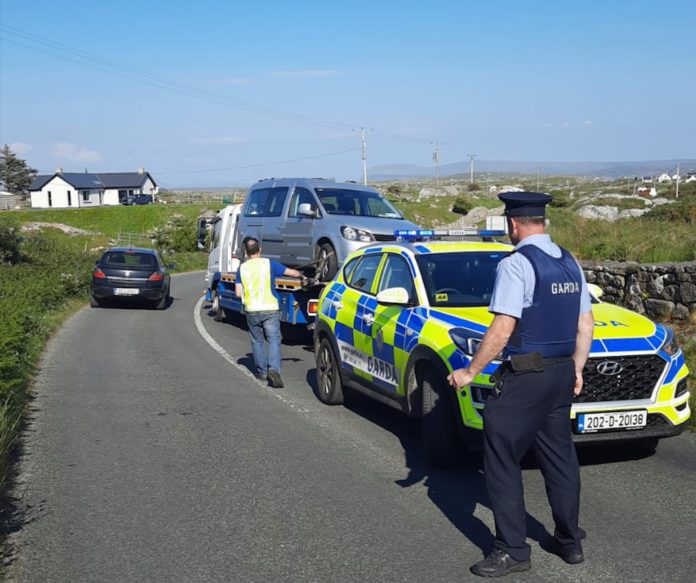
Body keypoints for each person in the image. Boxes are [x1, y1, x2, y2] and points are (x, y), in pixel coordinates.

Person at [448, 192, 594, 578]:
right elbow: (585, 324)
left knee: (500, 457)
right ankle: (568, 541)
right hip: (562, 373)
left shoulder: (516, 264)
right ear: (542, 222)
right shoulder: (568, 261)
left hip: (526, 375)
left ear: (513, 224)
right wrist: (577, 370)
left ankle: (512, 549)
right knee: (560, 457)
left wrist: (470, 372)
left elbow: (503, 327)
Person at [235, 237, 305, 388]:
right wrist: (302, 275)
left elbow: (238, 293)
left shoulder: (242, 268)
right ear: (260, 250)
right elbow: (290, 273)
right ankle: (274, 370)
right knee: (274, 339)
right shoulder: (269, 264)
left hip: (252, 310)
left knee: (257, 341)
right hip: (270, 308)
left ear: (246, 253)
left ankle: (262, 372)